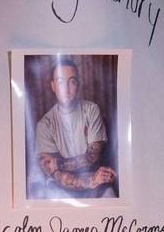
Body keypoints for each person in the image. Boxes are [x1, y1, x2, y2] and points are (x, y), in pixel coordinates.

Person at [33, 58, 118, 198]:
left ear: (77, 85)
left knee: (111, 197)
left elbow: (93, 157)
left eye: (71, 81)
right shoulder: (44, 124)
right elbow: (53, 173)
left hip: (94, 180)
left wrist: (58, 164)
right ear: (53, 86)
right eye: (60, 82)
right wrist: (90, 180)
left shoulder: (91, 110)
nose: (66, 89)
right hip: (61, 186)